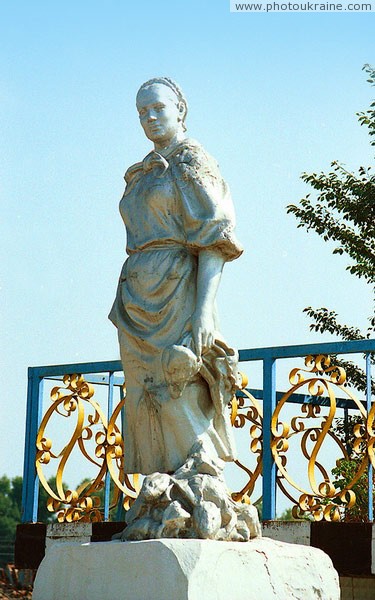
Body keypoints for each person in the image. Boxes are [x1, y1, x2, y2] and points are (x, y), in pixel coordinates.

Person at [109, 77, 243, 476]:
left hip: (178, 291)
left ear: (180, 109)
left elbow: (215, 242)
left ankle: (200, 486)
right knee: (145, 394)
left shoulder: (192, 162)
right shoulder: (141, 172)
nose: (149, 118)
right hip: (136, 298)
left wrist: (204, 311)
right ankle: (160, 494)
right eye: (141, 113)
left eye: (158, 108)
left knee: (178, 388)